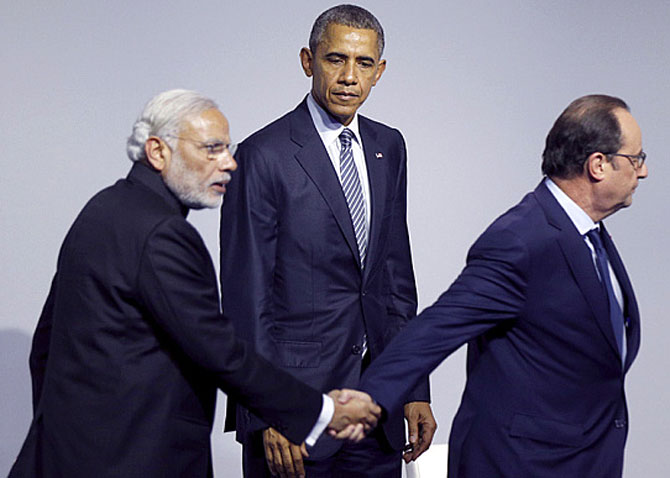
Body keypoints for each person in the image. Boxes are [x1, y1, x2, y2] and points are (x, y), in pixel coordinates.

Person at [8, 89, 381, 478]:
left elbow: (45, 347)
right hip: (136, 462)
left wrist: (68, 436)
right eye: (211, 149)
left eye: (227, 148)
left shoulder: (100, 211)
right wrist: (322, 412)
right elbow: (223, 354)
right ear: (157, 151)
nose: (230, 163)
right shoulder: (163, 235)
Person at [359, 94, 647, 477]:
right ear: (598, 164)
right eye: (636, 159)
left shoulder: (590, 234)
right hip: (521, 465)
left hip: (583, 461)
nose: (643, 172)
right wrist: (366, 398)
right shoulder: (522, 239)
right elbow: (439, 326)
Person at [220, 5, 436, 477]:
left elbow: (395, 276)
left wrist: (415, 387)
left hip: (377, 410)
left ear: (379, 72)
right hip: (295, 419)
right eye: (335, 59)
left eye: (363, 64)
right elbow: (245, 298)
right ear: (308, 61)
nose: (348, 77)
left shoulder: (389, 147)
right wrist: (266, 413)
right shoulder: (263, 155)